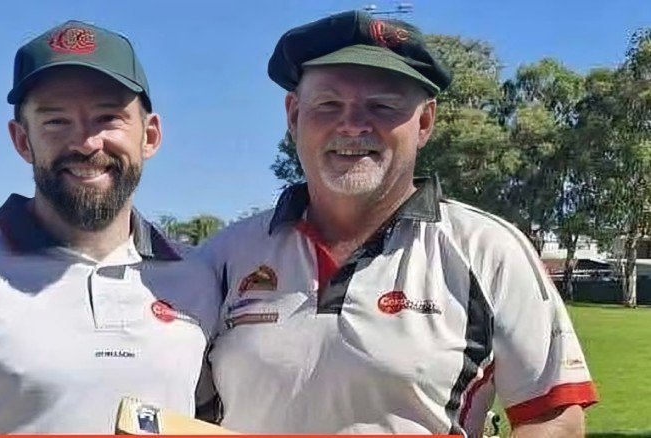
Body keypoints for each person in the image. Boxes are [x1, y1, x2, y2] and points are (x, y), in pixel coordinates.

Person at [196, 10, 598, 437]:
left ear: (424, 123)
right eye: (328, 104)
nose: (352, 126)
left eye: (382, 106)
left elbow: (553, 415)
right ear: (294, 116)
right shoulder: (224, 256)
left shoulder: (488, 249)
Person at [0, 21, 220, 433]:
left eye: (108, 118)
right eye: (56, 121)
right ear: (22, 140)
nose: (86, 143)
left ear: (150, 135)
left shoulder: (200, 278)